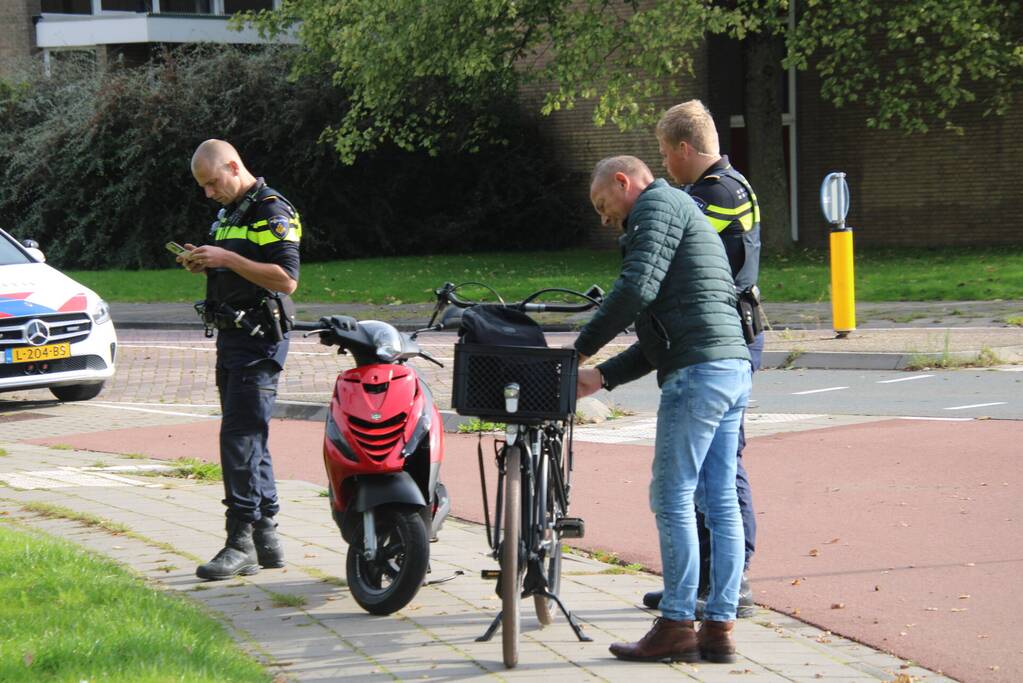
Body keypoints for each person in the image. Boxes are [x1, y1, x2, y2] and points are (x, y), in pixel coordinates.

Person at [574, 155, 752, 663]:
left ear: (624, 181)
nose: (606, 219)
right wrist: (602, 377)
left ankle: (676, 622)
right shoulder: (680, 211)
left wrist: (577, 351)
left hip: (698, 374)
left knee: (671, 494)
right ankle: (718, 628)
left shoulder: (655, 206)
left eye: (604, 205)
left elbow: (636, 289)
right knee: (718, 499)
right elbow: (664, 332)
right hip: (730, 365)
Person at [641, 100, 763, 617]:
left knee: (720, 469)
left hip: (722, 338)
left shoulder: (714, 195)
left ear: (685, 149)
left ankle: (730, 585)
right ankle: (706, 584)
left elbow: (677, 256)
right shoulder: (733, 186)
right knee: (713, 469)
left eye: (667, 156)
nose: (666, 166)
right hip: (732, 332)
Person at [180, 139, 302, 580]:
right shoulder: (230, 212)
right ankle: (267, 536)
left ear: (233, 166)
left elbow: (286, 279)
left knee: (239, 439)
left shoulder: (271, 210)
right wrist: (206, 263)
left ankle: (241, 541)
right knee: (251, 437)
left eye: (212, 183)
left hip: (258, 340)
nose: (208, 193)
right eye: (203, 187)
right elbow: (235, 267)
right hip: (233, 338)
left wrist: (226, 257)